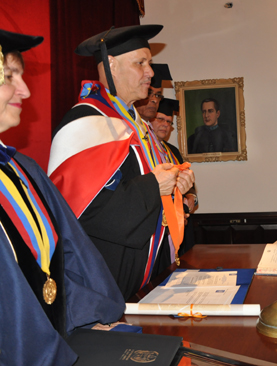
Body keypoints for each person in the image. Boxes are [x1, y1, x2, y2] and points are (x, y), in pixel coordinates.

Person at [0, 29, 124, 366]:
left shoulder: (21, 169)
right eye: (10, 76)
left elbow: (65, 259)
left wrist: (94, 315)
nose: (25, 90)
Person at [48, 25, 195, 300]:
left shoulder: (138, 125)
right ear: (111, 65)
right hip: (104, 288)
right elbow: (85, 212)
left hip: (148, 283)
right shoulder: (86, 123)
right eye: (141, 63)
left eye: (149, 63)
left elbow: (151, 184)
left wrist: (176, 182)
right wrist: (155, 185)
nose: (150, 72)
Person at [152, 98, 198, 254]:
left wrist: (192, 197)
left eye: (170, 122)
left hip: (179, 219)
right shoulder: (143, 150)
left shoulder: (172, 151)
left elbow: (190, 187)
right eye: (161, 119)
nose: (166, 125)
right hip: (157, 222)